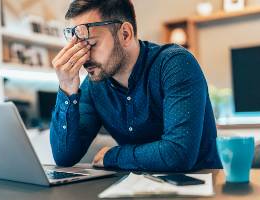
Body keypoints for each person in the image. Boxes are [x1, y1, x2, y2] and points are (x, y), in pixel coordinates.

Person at [50, 0, 221, 171]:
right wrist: (66, 88)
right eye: (79, 46)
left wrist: (113, 155)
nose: (84, 58)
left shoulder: (175, 65)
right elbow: (64, 157)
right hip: (137, 189)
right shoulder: (95, 86)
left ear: (125, 34)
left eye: (92, 44)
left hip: (199, 188)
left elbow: (177, 154)